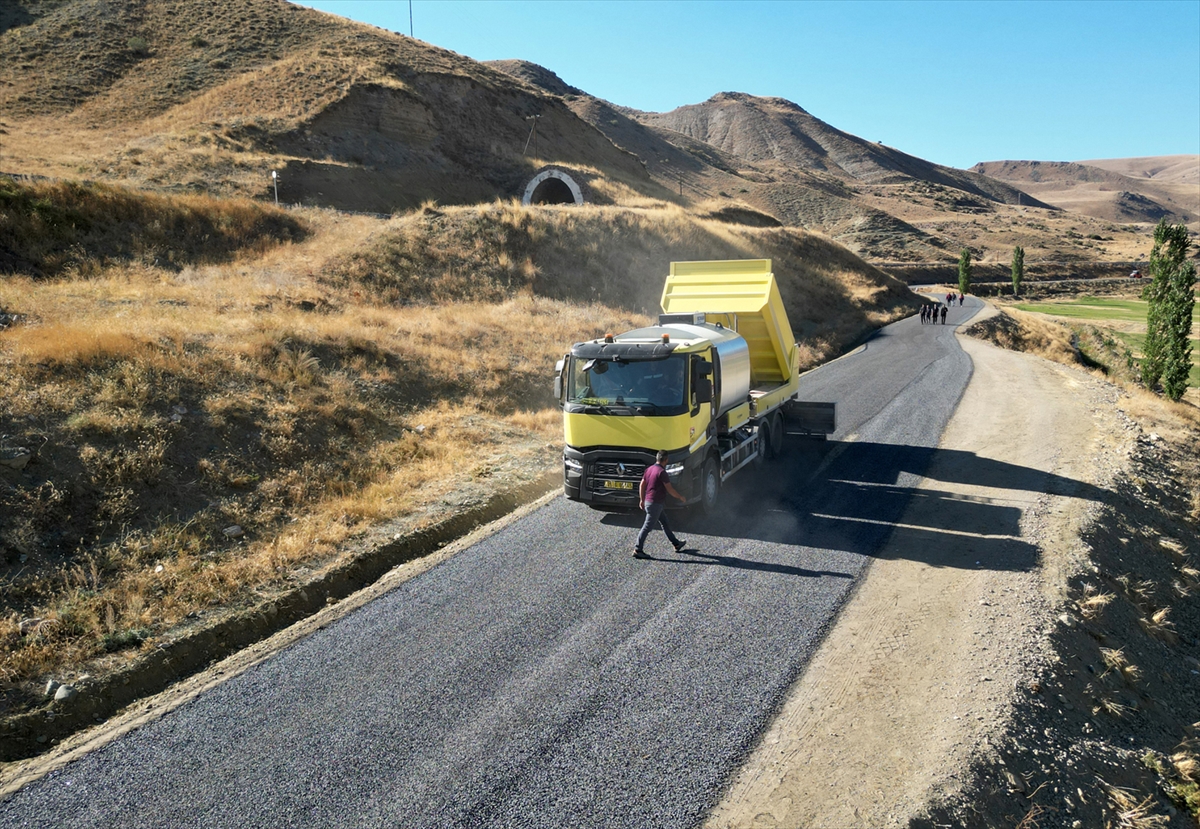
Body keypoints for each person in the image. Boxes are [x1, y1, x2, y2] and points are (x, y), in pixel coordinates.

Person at [634, 450, 686, 558]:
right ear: (666, 460)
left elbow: (642, 485)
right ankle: (638, 549)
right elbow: (670, 489)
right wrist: (680, 497)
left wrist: (642, 500)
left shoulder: (649, 469)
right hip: (655, 504)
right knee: (647, 527)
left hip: (650, 502)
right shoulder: (662, 472)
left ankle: (676, 543)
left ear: (657, 458)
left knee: (665, 523)